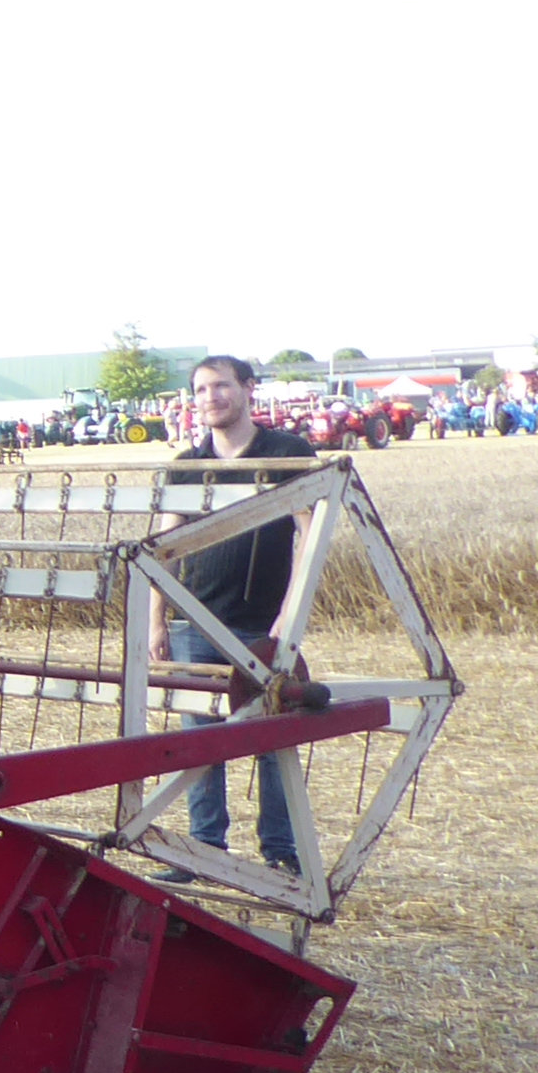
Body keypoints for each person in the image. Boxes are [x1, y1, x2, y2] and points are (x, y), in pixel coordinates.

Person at [149, 355, 315, 879]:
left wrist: (291, 614)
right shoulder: (186, 465)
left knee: (273, 740)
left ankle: (281, 854)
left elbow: (310, 535)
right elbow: (163, 548)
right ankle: (205, 850)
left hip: (262, 623)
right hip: (193, 624)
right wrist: (157, 621)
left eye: (221, 386)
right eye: (200, 390)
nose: (210, 398)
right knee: (200, 743)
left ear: (247, 389)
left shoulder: (287, 453)